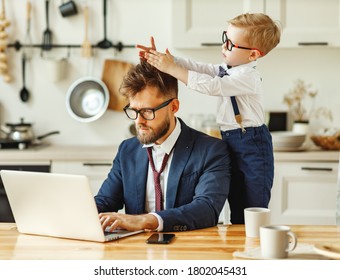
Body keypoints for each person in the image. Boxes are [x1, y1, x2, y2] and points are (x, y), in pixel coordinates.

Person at [137, 13, 281, 224]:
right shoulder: (228, 70)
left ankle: (255, 245)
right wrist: (168, 61)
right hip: (232, 140)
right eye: (225, 38)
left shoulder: (248, 77)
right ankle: (240, 244)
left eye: (231, 44)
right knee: (236, 199)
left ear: (253, 55)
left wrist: (173, 69)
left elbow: (213, 86)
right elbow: (201, 69)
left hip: (252, 145)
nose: (224, 46)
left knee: (253, 205)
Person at [95, 60, 231, 232]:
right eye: (134, 110)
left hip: (187, 249)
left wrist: (147, 221)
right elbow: (105, 200)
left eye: (147, 111)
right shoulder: (127, 150)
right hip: (134, 250)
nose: (139, 121)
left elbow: (206, 209)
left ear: (173, 107)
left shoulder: (211, 150)